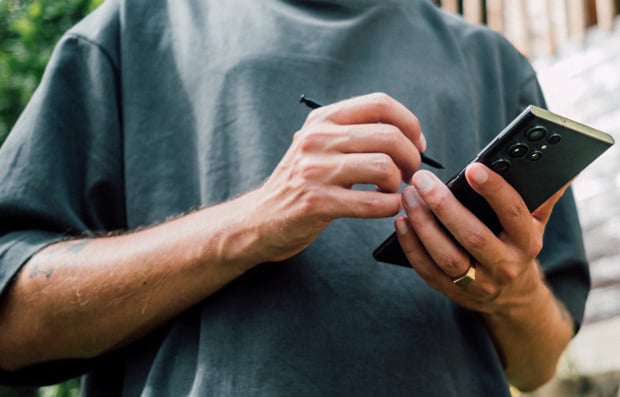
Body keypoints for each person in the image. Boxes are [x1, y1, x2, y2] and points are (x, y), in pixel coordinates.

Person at [0, 0, 589, 395]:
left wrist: (508, 293)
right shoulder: (130, 29)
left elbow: (538, 364)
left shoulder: (494, 63)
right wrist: (258, 220)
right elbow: (13, 327)